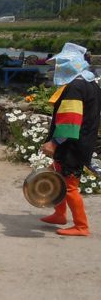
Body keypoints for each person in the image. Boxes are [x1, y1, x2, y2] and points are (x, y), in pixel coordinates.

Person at [39, 43, 100, 236]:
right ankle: (59, 213)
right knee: (59, 177)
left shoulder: (75, 86)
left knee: (70, 185)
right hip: (81, 141)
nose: (58, 67)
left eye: (62, 63)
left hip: (73, 144)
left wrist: (54, 142)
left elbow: (70, 122)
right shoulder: (90, 82)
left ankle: (81, 226)